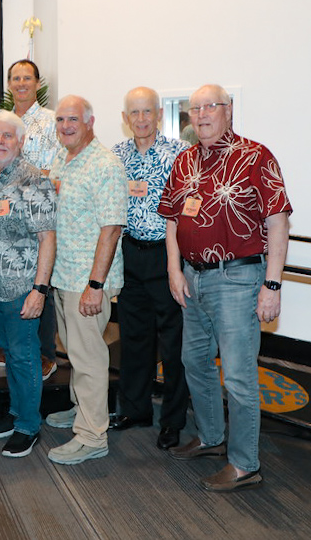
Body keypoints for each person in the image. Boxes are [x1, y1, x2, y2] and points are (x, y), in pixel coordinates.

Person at [159, 84, 292, 492]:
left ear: (228, 110)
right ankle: (212, 438)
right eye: (194, 108)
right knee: (194, 362)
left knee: (237, 376)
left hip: (237, 279)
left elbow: (278, 223)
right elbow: (171, 220)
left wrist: (272, 284)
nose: (200, 115)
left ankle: (244, 464)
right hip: (192, 278)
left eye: (209, 106)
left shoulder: (255, 156)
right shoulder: (184, 160)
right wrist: (174, 270)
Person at [44, 95, 128, 466]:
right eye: (61, 119)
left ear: (90, 121)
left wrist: (96, 285)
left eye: (73, 119)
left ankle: (93, 436)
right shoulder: (63, 157)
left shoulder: (105, 165)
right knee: (75, 353)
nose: (65, 126)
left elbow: (111, 230)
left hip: (87, 281)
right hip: (63, 275)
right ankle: (83, 412)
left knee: (90, 358)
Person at [111, 87, 190, 450]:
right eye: (134, 113)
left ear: (158, 114)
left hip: (166, 255)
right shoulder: (117, 156)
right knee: (134, 336)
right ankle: (135, 408)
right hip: (130, 254)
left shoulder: (180, 154)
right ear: (125, 119)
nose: (141, 119)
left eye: (147, 112)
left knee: (173, 343)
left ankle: (173, 421)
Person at [0, 111, 57, 458]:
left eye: (7, 136)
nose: (0, 141)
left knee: (25, 357)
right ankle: (15, 414)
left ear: (21, 141)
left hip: (23, 289)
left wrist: (39, 290)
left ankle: (29, 425)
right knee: (10, 355)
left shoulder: (34, 181)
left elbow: (47, 239)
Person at [0, 59, 61, 381]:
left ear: (36, 82)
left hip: (39, 211)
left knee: (39, 284)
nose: (20, 83)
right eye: (15, 78)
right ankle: (15, 348)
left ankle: (45, 354)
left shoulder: (50, 121)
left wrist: (34, 180)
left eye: (26, 78)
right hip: (6, 220)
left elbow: (58, 168)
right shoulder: (3, 123)